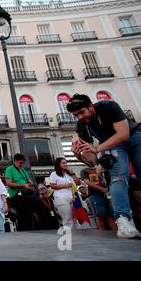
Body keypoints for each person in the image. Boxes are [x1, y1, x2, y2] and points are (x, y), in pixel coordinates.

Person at [67, 93, 140, 238]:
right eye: (76, 115)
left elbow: (123, 134)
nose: (80, 117)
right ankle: (123, 221)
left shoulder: (108, 106)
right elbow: (92, 162)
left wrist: (97, 149)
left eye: (82, 112)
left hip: (133, 137)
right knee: (118, 178)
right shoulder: (82, 124)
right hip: (112, 146)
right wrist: (78, 154)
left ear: (91, 106)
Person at [81, 166, 117, 231]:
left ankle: (115, 233)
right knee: (100, 216)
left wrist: (109, 190)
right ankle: (102, 237)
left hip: (108, 194)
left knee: (111, 215)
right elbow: (87, 182)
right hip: (96, 195)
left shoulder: (106, 167)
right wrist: (103, 189)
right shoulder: (85, 170)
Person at [5, 153, 35, 231]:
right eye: (20, 163)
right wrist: (23, 185)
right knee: (22, 214)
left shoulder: (23, 170)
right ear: (15, 161)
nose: (22, 165)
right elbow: (8, 183)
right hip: (16, 195)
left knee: (29, 213)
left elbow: (29, 181)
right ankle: (23, 230)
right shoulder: (9, 169)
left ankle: (29, 230)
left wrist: (31, 184)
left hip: (25, 193)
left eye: (22, 163)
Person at [49, 157, 76, 228]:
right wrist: (65, 185)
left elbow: (78, 182)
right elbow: (52, 186)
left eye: (66, 163)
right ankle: (68, 236)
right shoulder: (54, 174)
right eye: (63, 163)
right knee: (67, 218)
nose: (66, 164)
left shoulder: (69, 174)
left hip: (73, 197)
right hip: (61, 198)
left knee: (74, 217)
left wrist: (72, 173)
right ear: (58, 165)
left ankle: (75, 234)